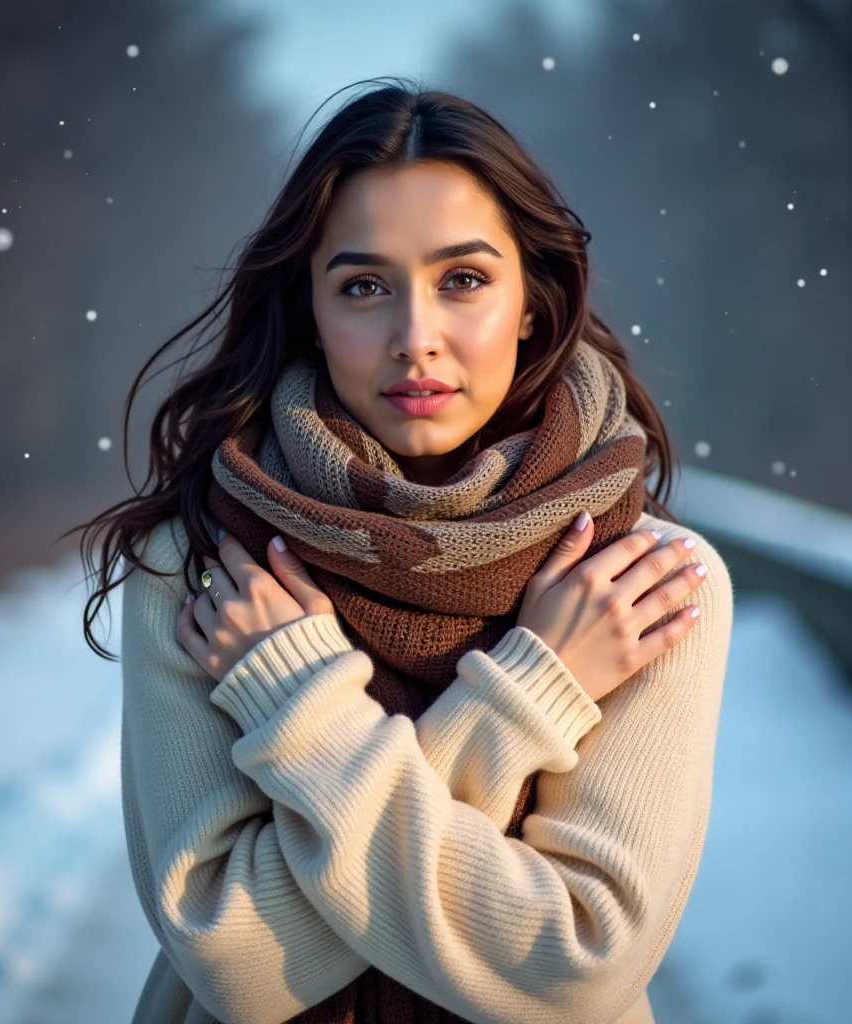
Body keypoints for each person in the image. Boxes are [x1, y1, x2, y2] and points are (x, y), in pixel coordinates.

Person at [73, 79, 734, 1024]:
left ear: (532, 305)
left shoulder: (644, 581)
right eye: (364, 287)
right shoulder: (199, 563)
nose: (414, 339)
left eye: (462, 280)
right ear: (310, 310)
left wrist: (300, 709)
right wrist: (527, 696)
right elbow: (241, 968)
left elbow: (578, 965)